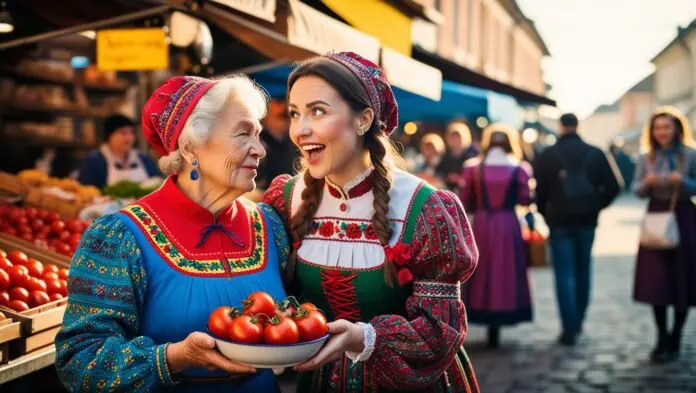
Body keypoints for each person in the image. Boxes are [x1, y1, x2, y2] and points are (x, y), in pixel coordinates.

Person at [55, 76, 289, 392]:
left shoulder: (269, 225)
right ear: (190, 146)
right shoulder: (120, 238)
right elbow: (80, 362)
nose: (260, 149)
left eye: (259, 135)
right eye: (243, 133)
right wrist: (173, 358)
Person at [263, 52, 480, 392]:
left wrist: (364, 337)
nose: (300, 130)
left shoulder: (422, 208)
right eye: (294, 113)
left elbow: (441, 331)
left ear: (363, 119)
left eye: (317, 111)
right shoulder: (285, 199)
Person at [534, 113, 622, 345]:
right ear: (577, 126)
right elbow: (615, 185)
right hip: (587, 220)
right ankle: (579, 320)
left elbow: (539, 193)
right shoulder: (595, 152)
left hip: (559, 221)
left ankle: (568, 326)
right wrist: (596, 206)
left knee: (563, 274)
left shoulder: (548, 154)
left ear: (560, 126)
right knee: (583, 270)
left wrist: (546, 213)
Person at [460, 123, 534, 348]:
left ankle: (481, 312)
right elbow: (525, 200)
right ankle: (502, 316)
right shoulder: (519, 169)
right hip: (508, 225)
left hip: (482, 224)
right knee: (504, 271)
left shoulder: (473, 169)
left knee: (482, 270)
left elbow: (466, 200)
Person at [632, 106, 696, 362]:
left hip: (684, 216)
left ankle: (676, 337)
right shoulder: (645, 158)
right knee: (657, 281)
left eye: (667, 127)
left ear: (677, 129)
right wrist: (646, 184)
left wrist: (683, 181)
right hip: (656, 216)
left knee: (682, 279)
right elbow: (635, 189)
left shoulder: (690, 155)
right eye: (658, 128)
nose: (662, 132)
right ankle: (660, 336)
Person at [77, 114, 161, 189]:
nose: (129, 138)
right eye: (123, 133)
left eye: (131, 133)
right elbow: (86, 191)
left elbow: (158, 183)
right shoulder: (94, 161)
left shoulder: (143, 159)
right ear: (109, 136)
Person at [256, 99, 300, 190]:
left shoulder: (299, 143)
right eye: (279, 101)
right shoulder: (255, 142)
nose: (285, 108)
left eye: (288, 102)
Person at [437, 122, 479, 191]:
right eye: (453, 137)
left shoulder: (472, 156)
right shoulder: (446, 157)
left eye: (458, 137)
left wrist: (461, 178)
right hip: (449, 191)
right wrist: (447, 177)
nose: (455, 140)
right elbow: (439, 172)